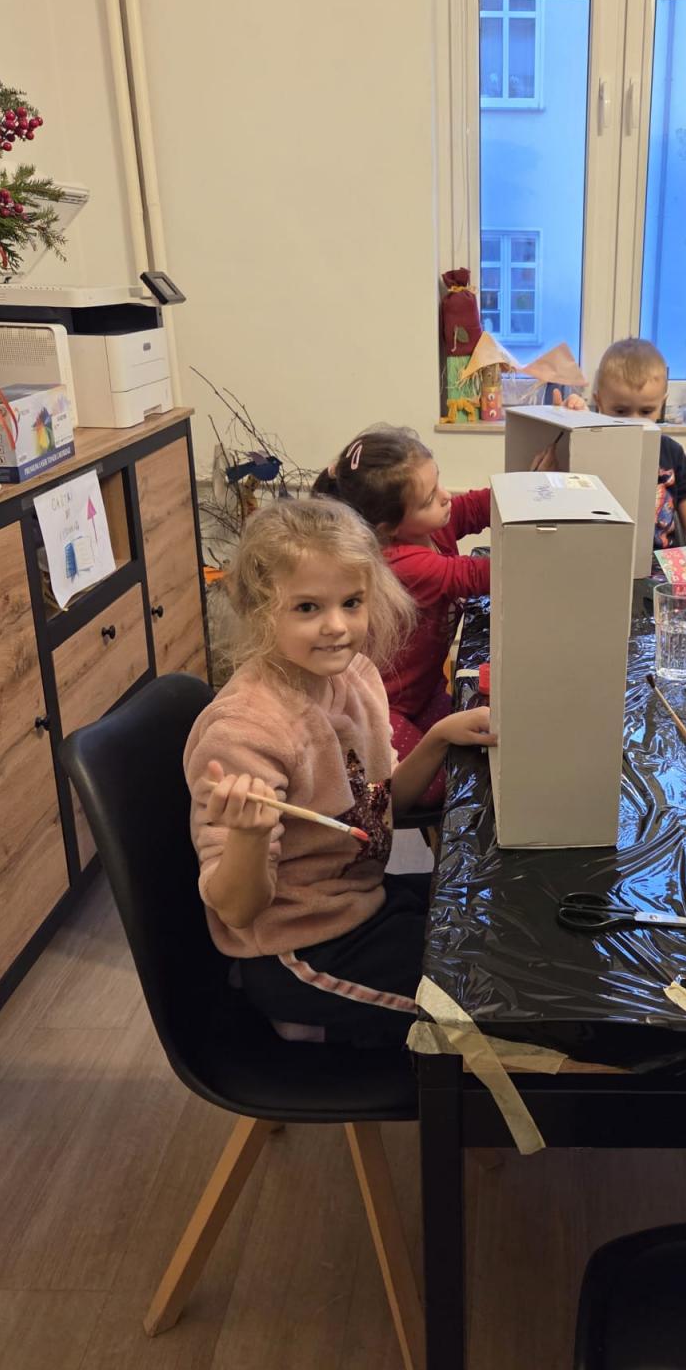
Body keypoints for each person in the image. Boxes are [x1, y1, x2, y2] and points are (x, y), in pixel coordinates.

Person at [184, 497, 494, 1045]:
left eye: (352, 602)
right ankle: (314, 1027)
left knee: (494, 922)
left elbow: (378, 804)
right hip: (301, 948)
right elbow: (236, 909)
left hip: (362, 899)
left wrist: (440, 739)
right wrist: (250, 836)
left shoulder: (356, 678)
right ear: (259, 610)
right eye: (307, 607)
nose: (336, 626)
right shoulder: (244, 733)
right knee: (492, 1000)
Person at [312, 428, 490, 805]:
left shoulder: (431, 526)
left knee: (477, 750)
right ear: (387, 528)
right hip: (383, 708)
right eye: (429, 499)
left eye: (438, 481)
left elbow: (478, 506)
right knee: (445, 786)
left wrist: (535, 484)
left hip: (423, 693)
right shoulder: (400, 563)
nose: (446, 496)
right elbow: (479, 576)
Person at [583, 337, 686, 550]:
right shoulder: (591, 450)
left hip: (662, 562)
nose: (635, 421)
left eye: (646, 411)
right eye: (620, 411)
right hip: (607, 557)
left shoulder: (671, 452)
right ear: (599, 403)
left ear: (661, 404)